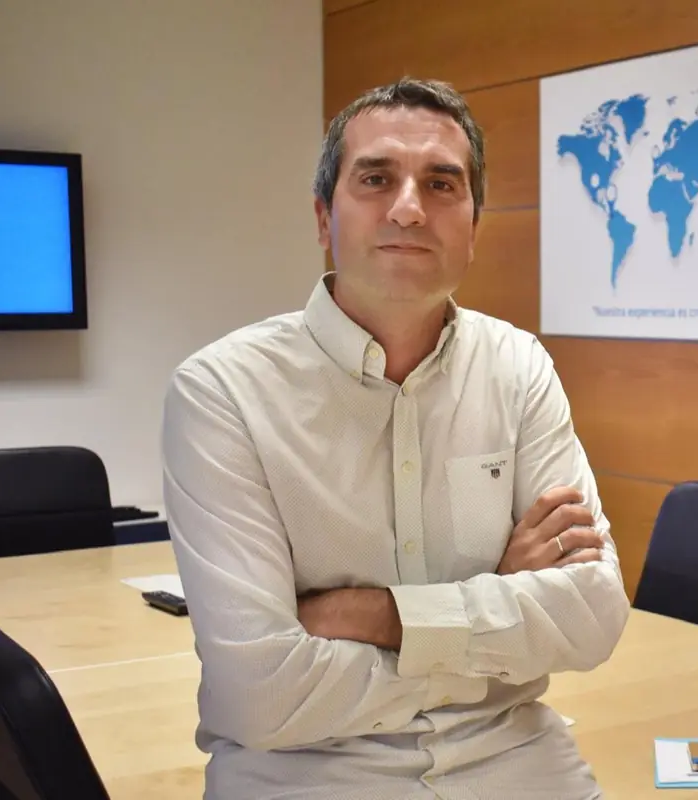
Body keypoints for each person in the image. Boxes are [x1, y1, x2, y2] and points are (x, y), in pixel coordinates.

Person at [160, 77, 631, 800]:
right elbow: (262, 693)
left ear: (473, 225)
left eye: (441, 184)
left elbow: (593, 618)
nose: (409, 208)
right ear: (324, 217)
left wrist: (375, 615)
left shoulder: (518, 368)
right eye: (376, 179)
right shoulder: (223, 392)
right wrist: (495, 609)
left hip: (516, 763)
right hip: (307, 775)